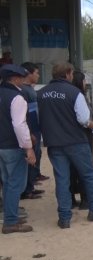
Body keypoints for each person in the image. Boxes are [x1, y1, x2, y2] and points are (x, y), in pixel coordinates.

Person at [37, 62, 93, 229]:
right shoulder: (74, 92)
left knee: (62, 179)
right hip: (75, 141)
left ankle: (64, 217)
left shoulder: (41, 94)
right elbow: (84, 120)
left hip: (54, 143)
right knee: (89, 175)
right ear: (69, 74)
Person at [0, 64, 36, 234]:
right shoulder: (17, 97)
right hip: (13, 145)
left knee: (7, 182)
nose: (23, 80)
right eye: (21, 77)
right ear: (14, 78)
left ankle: (10, 215)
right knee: (15, 184)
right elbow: (19, 125)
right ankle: (10, 221)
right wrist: (28, 148)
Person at [20, 62, 46, 200]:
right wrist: (29, 132)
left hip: (35, 128)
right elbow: (24, 115)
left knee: (35, 157)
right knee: (29, 160)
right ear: (28, 73)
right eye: (36, 72)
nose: (38, 75)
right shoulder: (23, 90)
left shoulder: (29, 89)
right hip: (31, 130)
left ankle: (30, 186)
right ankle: (26, 190)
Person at [69, 70, 93, 210]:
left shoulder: (69, 95)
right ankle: (85, 199)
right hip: (82, 135)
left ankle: (71, 198)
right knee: (85, 167)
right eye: (84, 81)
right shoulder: (79, 96)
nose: (85, 83)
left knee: (70, 168)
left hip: (68, 136)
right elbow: (84, 120)